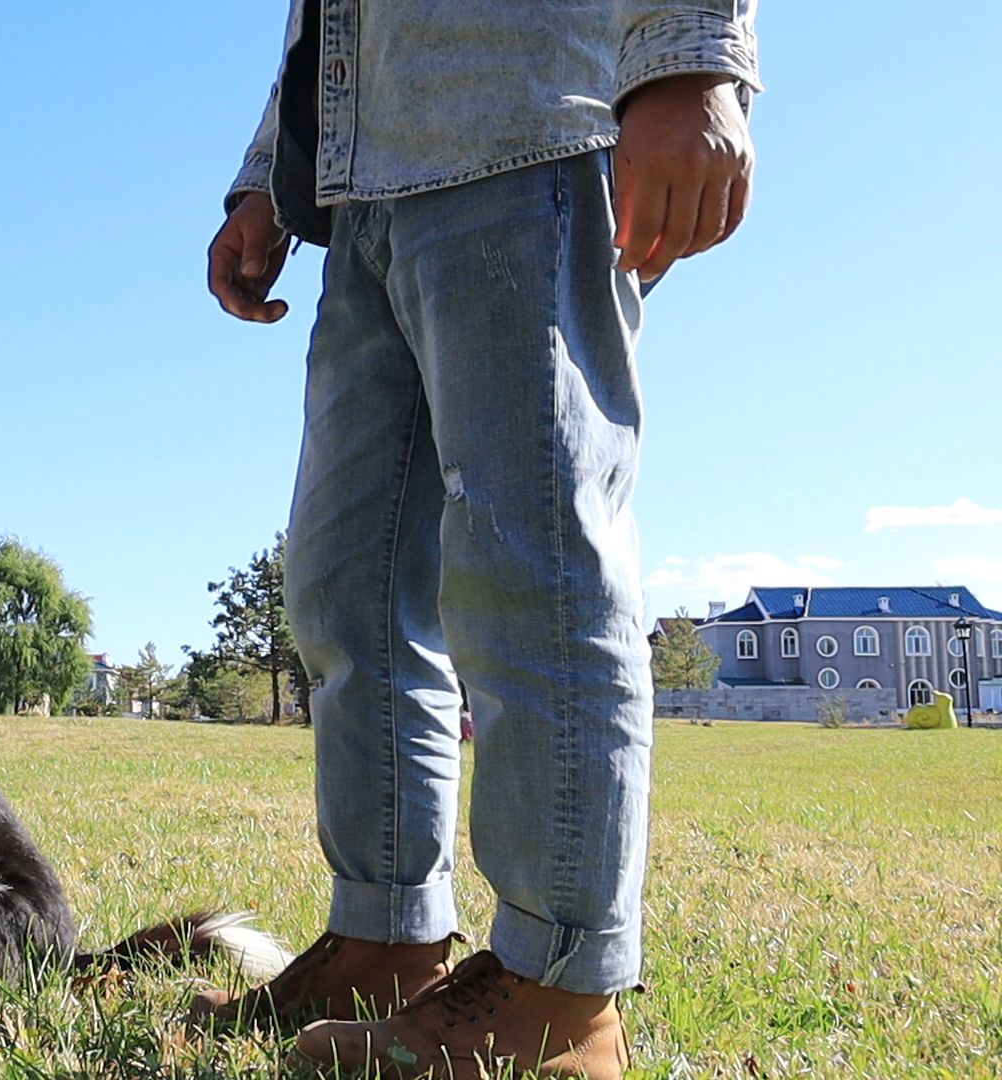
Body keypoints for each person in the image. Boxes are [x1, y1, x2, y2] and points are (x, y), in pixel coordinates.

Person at [195, 3, 760, 1077]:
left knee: (531, 557)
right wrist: (269, 175)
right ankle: (384, 937)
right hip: (359, 194)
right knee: (344, 589)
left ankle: (559, 994)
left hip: (526, 132)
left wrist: (695, 61)